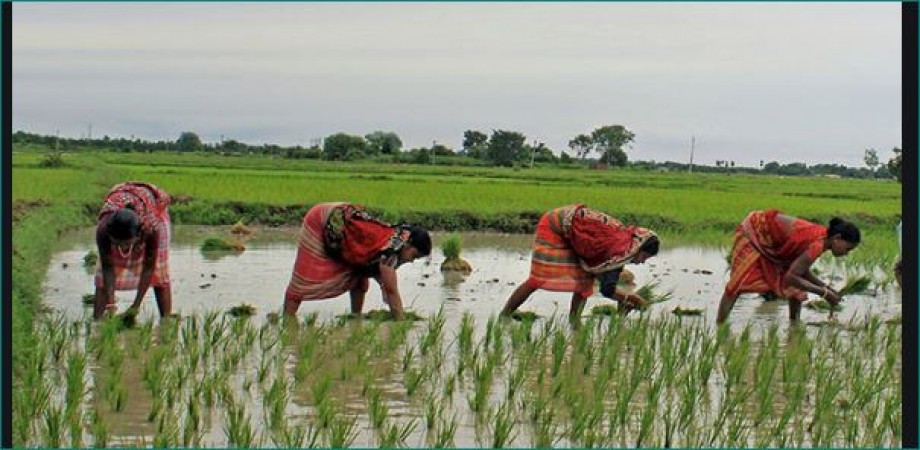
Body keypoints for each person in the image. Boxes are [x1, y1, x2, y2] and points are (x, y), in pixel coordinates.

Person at [500, 204, 660, 322]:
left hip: (575, 234)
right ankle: (504, 315)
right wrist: (633, 298)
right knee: (538, 277)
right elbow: (607, 289)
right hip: (555, 225)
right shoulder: (617, 248)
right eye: (644, 257)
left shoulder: (624, 245)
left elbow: (607, 276)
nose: (642, 262)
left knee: (584, 281)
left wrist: (625, 300)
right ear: (638, 248)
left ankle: (574, 321)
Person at [283, 202, 431, 319]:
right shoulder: (391, 253)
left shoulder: (399, 238)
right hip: (323, 219)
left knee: (359, 275)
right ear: (408, 245)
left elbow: (382, 279)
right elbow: (392, 291)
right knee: (303, 279)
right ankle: (287, 320)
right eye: (414, 256)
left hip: (345, 215)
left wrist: (383, 286)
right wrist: (400, 321)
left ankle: (355, 317)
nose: (411, 261)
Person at [716, 210, 860, 324]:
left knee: (796, 288)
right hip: (755, 231)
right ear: (837, 239)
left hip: (772, 242)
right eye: (847, 249)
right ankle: (720, 326)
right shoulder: (817, 244)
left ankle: (794, 325)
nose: (846, 253)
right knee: (738, 283)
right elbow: (791, 277)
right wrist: (823, 293)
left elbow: (801, 271)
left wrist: (826, 288)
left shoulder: (821, 240)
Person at [94, 182, 173, 320]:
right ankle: (97, 320)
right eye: (116, 243)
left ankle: (166, 321)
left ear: (138, 235)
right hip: (128, 223)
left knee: (159, 275)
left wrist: (135, 307)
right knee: (102, 279)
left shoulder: (151, 227)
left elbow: (149, 267)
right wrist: (111, 305)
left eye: (126, 244)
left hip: (153, 212)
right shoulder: (103, 229)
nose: (122, 248)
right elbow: (107, 267)